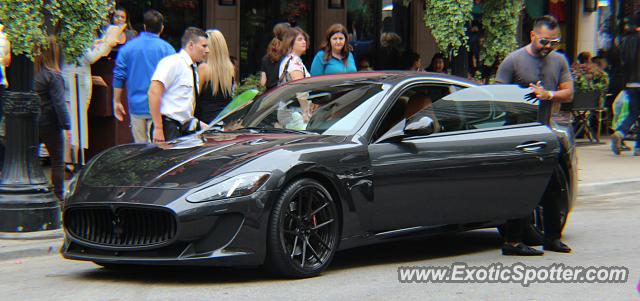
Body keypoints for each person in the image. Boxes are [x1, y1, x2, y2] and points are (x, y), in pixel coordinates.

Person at [495, 15, 574, 256]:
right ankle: (512, 240)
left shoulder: (558, 61)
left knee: (553, 187)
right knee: (520, 188)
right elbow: (497, 97)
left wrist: (548, 95)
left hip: (546, 133)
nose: (548, 47)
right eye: (544, 41)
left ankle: (551, 238)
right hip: (518, 135)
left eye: (554, 42)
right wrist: (522, 98)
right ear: (532, 36)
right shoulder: (513, 61)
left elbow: (568, 93)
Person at [62, 23, 124, 164]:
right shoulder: (76, 35)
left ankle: (71, 161)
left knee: (72, 122)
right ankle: (73, 162)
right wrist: (107, 44)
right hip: (77, 83)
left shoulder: (68, 34)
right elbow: (90, 57)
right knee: (76, 124)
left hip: (72, 81)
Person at [113, 10, 175, 143]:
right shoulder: (168, 49)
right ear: (162, 28)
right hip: (161, 107)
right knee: (159, 152)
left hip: (136, 106)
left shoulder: (128, 48)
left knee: (140, 151)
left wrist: (116, 101)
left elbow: (119, 75)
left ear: (145, 26)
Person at [148, 27, 209, 143]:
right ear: (191, 45)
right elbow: (154, 92)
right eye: (204, 46)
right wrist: (158, 128)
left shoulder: (192, 68)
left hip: (184, 129)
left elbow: (182, 106)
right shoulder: (173, 62)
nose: (207, 50)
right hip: (168, 127)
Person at [33, 36, 71, 202]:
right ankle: (58, 195)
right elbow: (59, 104)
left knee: (31, 158)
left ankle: (35, 189)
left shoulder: (34, 74)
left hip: (32, 121)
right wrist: (66, 125)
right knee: (57, 161)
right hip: (49, 121)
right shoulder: (54, 76)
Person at [611, 12, 640, 156]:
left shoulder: (625, 40)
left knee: (634, 112)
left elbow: (619, 61)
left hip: (629, 82)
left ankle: (620, 132)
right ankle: (639, 147)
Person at [195, 29, 235, 124]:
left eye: (205, 46)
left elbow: (194, 98)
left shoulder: (203, 69)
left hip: (205, 123)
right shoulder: (230, 68)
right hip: (224, 120)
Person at [260, 22, 291, 89]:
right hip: (283, 92)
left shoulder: (265, 58)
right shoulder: (288, 57)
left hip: (270, 94)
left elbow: (263, 82)